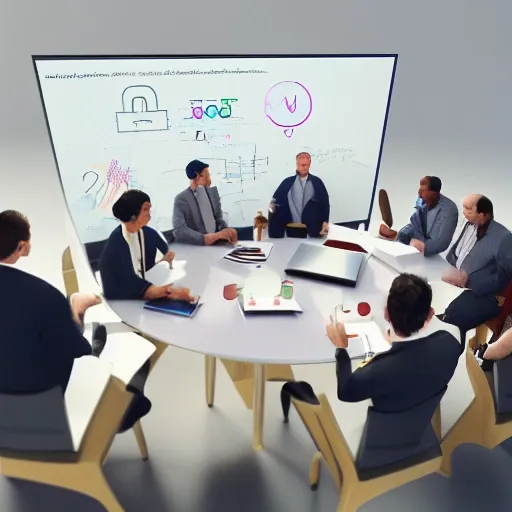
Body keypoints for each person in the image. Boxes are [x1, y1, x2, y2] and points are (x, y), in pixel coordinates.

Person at [0, 210, 150, 432]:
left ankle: (78, 316)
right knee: (139, 369)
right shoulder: (42, 294)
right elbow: (78, 351)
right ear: (21, 246)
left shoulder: (37, 296)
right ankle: (77, 312)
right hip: (45, 414)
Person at [326, 273, 461, 410]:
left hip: (388, 418)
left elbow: (346, 391)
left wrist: (341, 348)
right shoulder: (452, 338)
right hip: (425, 401)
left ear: (386, 313)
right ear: (430, 313)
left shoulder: (379, 370)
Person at [100, 189, 192, 301]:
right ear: (132, 215)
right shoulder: (117, 243)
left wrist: (164, 259)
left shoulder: (145, 232)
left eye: (149, 209)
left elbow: (155, 261)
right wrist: (173, 292)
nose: (149, 214)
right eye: (145, 209)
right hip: (123, 302)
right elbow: (131, 285)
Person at [440, 195, 512, 335]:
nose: (464, 213)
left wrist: (468, 281)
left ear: (483, 214)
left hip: (485, 295)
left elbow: (503, 276)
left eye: (469, 209)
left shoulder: (504, 238)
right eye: (463, 208)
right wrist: (450, 271)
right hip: (453, 286)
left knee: (453, 319)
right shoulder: (466, 225)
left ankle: (445, 351)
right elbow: (454, 253)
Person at [381, 176, 458, 256]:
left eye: (424, 190)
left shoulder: (449, 209)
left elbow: (441, 243)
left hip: (429, 257)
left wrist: (422, 247)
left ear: (435, 193)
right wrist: (401, 237)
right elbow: (414, 224)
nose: (419, 194)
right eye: (420, 189)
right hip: (412, 248)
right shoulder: (423, 202)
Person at [172, 160, 238, 245]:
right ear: (196, 176)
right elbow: (179, 231)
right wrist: (209, 238)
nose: (209, 179)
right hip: (196, 248)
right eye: (206, 175)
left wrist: (225, 229)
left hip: (218, 246)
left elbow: (218, 219)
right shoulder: (181, 199)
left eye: (208, 175)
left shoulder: (212, 193)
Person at [268, 152, 330, 238]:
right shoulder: (287, 182)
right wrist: (272, 206)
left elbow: (325, 204)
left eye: (305, 165)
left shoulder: (317, 182)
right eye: (301, 164)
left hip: (313, 230)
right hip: (291, 229)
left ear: (309, 164)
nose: (303, 167)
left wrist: (325, 223)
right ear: (297, 164)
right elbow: (275, 200)